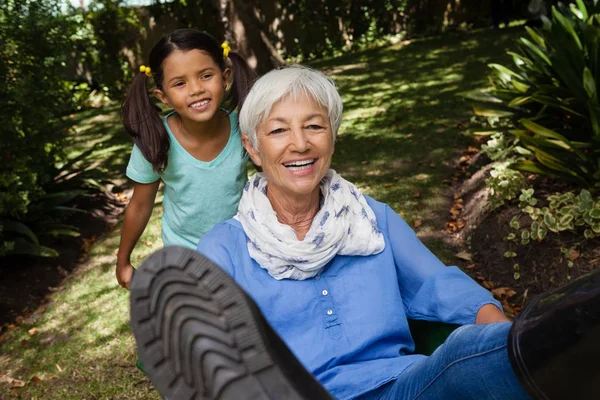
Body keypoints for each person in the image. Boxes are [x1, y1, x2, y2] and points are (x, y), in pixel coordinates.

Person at [129, 66, 600, 400]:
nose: (300, 143)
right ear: (251, 147)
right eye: (278, 131)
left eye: (315, 126)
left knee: (467, 352)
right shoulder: (224, 247)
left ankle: (570, 328)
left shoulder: (371, 218)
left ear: (332, 137)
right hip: (296, 390)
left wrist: (503, 340)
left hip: (400, 386)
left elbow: (437, 284)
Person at [115, 29, 257, 290]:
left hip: (244, 249)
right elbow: (139, 205)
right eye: (180, 83)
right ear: (163, 96)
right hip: (187, 260)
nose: (196, 90)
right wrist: (123, 260)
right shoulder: (156, 140)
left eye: (205, 75)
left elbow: (275, 177)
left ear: (225, 77)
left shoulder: (245, 128)